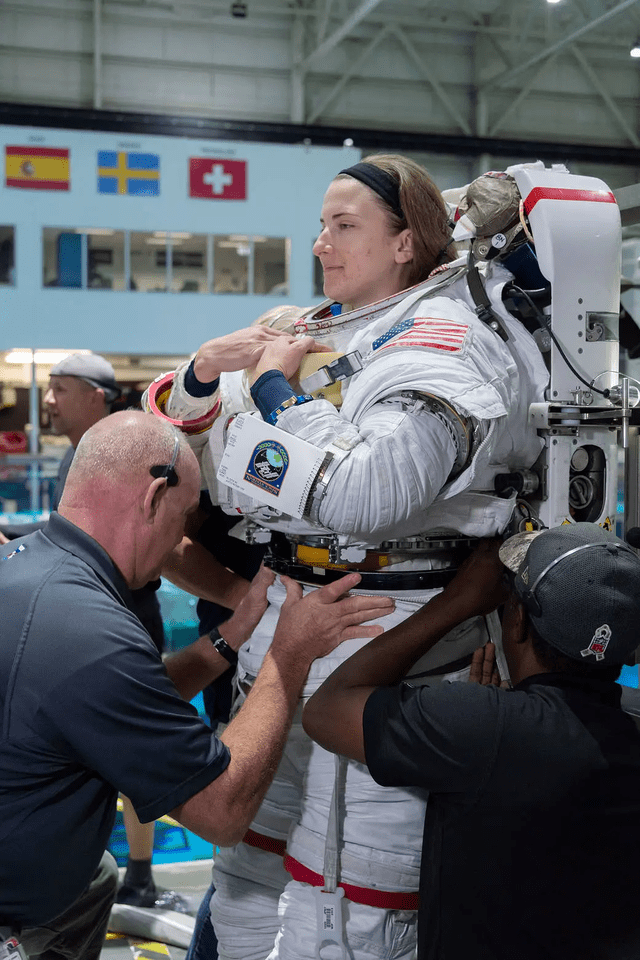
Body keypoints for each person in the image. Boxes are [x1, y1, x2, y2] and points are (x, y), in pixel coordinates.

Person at [145, 154, 549, 959]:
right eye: (320, 225)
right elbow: (188, 464)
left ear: (406, 244)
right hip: (287, 627)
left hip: (392, 634)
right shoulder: (307, 328)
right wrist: (203, 375)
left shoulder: (448, 336)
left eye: (344, 225)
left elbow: (371, 494)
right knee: (248, 870)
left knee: (356, 898)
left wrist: (271, 400)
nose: (321, 243)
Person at [0, 411, 392, 960]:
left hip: (44, 875)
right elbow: (221, 812)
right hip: (16, 917)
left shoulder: (28, 568)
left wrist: (230, 637)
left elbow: (121, 703)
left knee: (99, 879)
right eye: (185, 517)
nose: (180, 543)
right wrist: (288, 656)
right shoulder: (91, 632)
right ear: (154, 496)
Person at [304, 523, 640, 960]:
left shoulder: (481, 729)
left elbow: (325, 711)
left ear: (516, 620)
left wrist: (456, 602)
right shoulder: (625, 736)